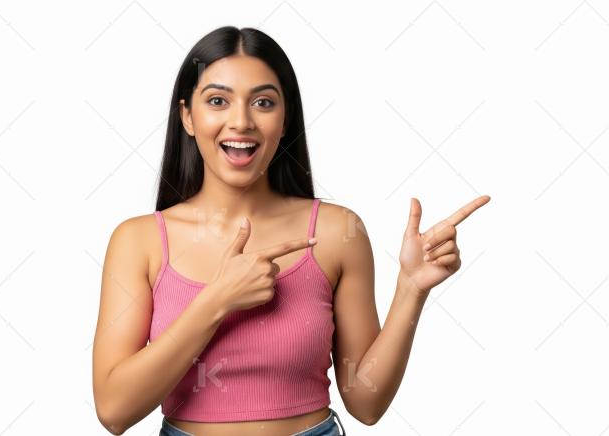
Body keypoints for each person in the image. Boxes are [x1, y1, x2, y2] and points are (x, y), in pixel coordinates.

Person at [91, 25, 490, 435]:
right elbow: (114, 410)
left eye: (263, 102)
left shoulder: (338, 232)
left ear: (285, 121)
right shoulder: (137, 241)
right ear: (188, 117)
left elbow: (366, 404)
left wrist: (411, 288)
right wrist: (218, 300)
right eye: (217, 101)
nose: (241, 121)